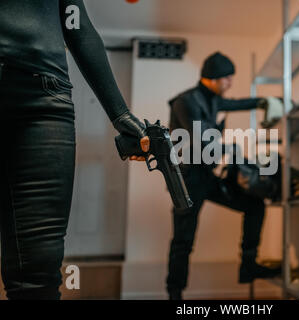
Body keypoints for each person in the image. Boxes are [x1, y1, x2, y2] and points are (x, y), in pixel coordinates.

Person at [0, 0, 148, 299]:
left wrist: (120, 114)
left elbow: (76, 24)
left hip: (44, 99)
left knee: (38, 271)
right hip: (43, 95)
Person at [166, 51, 281, 300]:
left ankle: (248, 265)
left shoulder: (215, 100)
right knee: (183, 241)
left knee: (255, 205)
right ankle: (174, 294)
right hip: (187, 181)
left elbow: (238, 102)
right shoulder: (185, 102)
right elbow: (201, 138)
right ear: (214, 77)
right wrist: (233, 151)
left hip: (208, 177)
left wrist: (268, 101)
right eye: (228, 78)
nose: (230, 82)